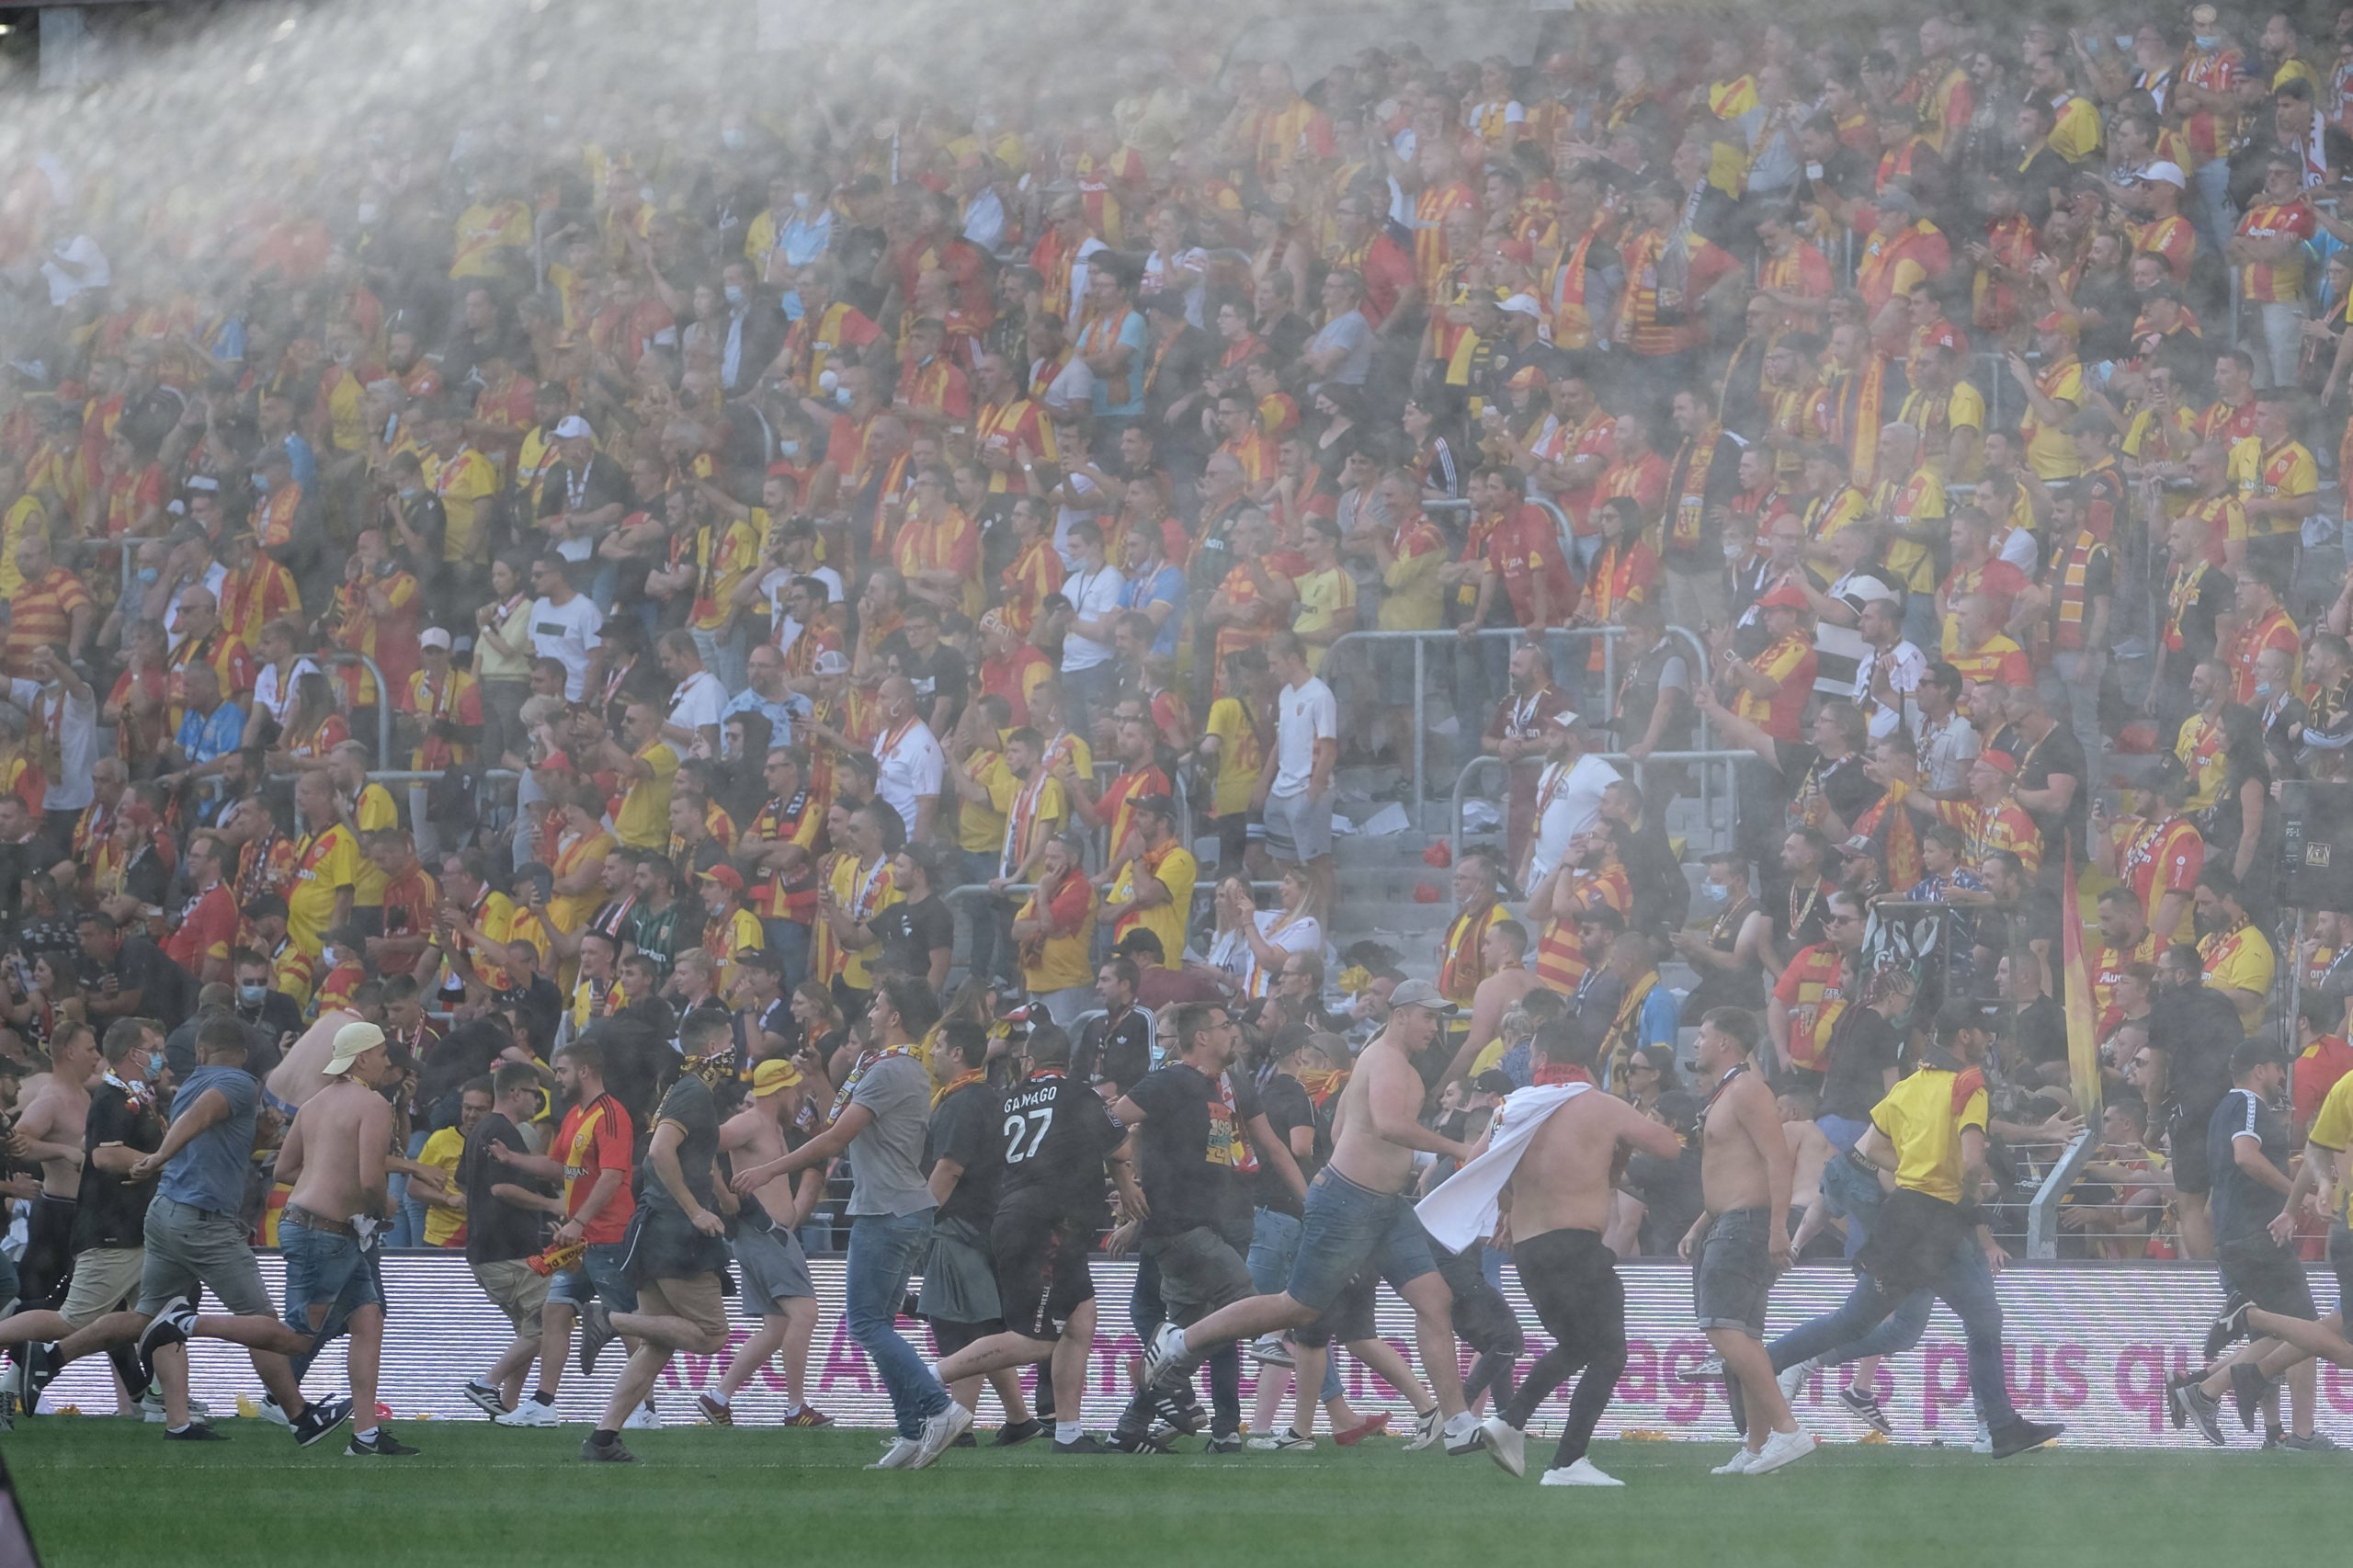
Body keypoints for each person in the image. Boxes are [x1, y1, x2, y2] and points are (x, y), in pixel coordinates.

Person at [1140, 983, 1486, 1458]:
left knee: (1434, 1299)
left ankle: (1457, 1420)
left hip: (1382, 1205)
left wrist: (1365, 1163)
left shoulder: (1380, 1061)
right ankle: (1182, 1341)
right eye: (1428, 1017)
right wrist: (1460, 1149)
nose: (1435, 1027)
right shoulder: (1385, 1060)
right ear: (1401, 1015)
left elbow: (1346, 1126)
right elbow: (1388, 1124)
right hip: (1349, 1204)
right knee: (1296, 1309)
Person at [1765, 1003, 2065, 1459]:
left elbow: (1870, 1148)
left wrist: (1917, 1170)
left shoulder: (1909, 1087)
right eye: (1984, 1033)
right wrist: (1972, 1195)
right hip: (1939, 1221)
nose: (1989, 1042)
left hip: (1905, 1217)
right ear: (1965, 1036)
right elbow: (1972, 1159)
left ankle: (2001, 1425)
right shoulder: (1969, 1083)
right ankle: (1760, 1367)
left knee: (1927, 1319)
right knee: (1941, 1320)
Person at [728, 976, 967, 1468]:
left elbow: (836, 1138)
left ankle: (939, 1408)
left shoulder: (889, 1070)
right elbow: (843, 1121)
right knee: (876, 1323)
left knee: (865, 1323)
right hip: (900, 1206)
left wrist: (769, 1169)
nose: (871, 1014)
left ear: (895, 1016)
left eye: (878, 1006)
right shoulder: (897, 1068)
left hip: (887, 1210)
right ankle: (911, 1428)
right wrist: (818, 1080)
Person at [1435, 1018, 1682, 1486]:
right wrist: (1618, 1141)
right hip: (1576, 1245)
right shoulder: (1601, 1106)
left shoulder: (1513, 1107)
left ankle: (1511, 1422)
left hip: (1528, 1251)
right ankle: (1563, 1460)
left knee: (1578, 1346)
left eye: (1529, 1057)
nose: (1527, 1065)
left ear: (1544, 1060)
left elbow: (1475, 1166)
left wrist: (1510, 1206)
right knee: (1609, 1353)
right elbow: (1669, 1146)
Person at [127, 1016, 347, 1444]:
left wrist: (258, 1135)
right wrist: (158, 1156)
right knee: (260, 1322)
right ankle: (300, 1416)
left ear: (200, 1053)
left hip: (168, 1212)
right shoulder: (240, 1083)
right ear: (242, 1055)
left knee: (142, 1318)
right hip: (205, 1224)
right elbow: (204, 1115)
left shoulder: (188, 1083)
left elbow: (209, 1135)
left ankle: (51, 1352)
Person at [928, 1022, 1142, 1458]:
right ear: (1066, 1060)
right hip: (1050, 1221)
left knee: (1081, 1321)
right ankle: (924, 1377)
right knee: (1037, 1338)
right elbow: (1119, 1146)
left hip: (1019, 1214)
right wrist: (1127, 1182)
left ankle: (1068, 1434)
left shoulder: (1009, 1099)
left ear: (1029, 1062)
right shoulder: (1079, 1094)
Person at [580, 1028, 738, 1464]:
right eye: (728, 1037)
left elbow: (683, 1154)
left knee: (657, 1344)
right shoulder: (692, 1091)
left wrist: (721, 1197)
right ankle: (610, 1319)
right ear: (712, 1046)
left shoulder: (682, 1091)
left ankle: (603, 1438)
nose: (733, 1046)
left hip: (655, 1228)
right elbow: (660, 1152)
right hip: (675, 1233)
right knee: (711, 1336)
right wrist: (695, 1211)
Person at [1677, 1006, 1814, 1474]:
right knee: (1746, 1337)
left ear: (1725, 1043)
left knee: (1722, 1328)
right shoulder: (1727, 1092)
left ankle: (1788, 1431)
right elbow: (1737, 1168)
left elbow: (1778, 1160)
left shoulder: (1748, 1089)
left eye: (1702, 1035)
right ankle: (1757, 1446)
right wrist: (1700, 1224)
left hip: (1746, 1225)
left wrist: (1779, 1227)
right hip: (1730, 1222)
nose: (1695, 1043)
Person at [275, 1021, 416, 1456]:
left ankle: (366, 1435)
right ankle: (188, 1325)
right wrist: (380, 1209)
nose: (386, 1062)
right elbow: (373, 1179)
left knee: (368, 1318)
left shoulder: (314, 1104)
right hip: (328, 1234)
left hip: (309, 1224)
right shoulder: (373, 1104)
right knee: (299, 1338)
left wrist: (328, 1181)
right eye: (380, 1054)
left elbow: (283, 1171)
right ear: (361, 1058)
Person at [699, 1057, 830, 1428]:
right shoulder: (750, 1123)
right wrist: (722, 1194)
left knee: (776, 1327)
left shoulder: (771, 1126)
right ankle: (795, 1408)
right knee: (804, 1314)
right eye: (795, 1090)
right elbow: (701, 1141)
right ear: (781, 1089)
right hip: (763, 1234)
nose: (799, 1098)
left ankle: (718, 1397)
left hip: (763, 1235)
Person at [455, 1061, 558, 1423]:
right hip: (509, 1250)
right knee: (550, 1325)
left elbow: (465, 1181)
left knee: (527, 1333)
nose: (538, 1100)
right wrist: (551, 1204)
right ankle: (488, 1383)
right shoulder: (504, 1131)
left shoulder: (481, 1130)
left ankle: (508, 1408)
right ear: (515, 1092)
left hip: (486, 1249)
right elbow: (501, 1187)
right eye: (534, 1092)